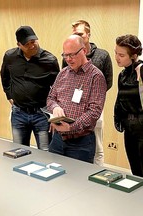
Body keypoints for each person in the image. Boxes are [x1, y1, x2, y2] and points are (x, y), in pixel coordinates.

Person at [47, 34, 107, 163]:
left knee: (77, 181)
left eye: (72, 55)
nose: (68, 59)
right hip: (57, 140)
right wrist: (55, 107)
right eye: (65, 55)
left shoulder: (96, 76)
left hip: (81, 144)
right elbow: (51, 98)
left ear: (84, 51)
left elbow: (94, 112)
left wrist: (71, 127)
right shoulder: (63, 73)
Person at [0, 26, 60, 150]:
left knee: (45, 153)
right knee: (19, 151)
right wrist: (9, 95)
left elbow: (57, 88)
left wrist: (55, 113)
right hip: (19, 112)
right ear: (19, 45)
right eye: (27, 44)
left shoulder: (50, 60)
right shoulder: (10, 57)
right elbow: (5, 76)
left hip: (42, 113)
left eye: (33, 41)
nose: (32, 46)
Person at [62, 20, 113, 166]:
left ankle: (97, 173)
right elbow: (65, 81)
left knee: (97, 144)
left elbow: (108, 82)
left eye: (80, 34)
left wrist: (92, 98)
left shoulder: (103, 55)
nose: (77, 36)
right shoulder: (67, 57)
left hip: (94, 106)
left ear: (88, 35)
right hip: (73, 107)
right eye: (74, 34)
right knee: (75, 142)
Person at [114, 34, 143, 177]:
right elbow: (120, 99)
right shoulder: (122, 74)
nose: (117, 57)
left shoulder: (141, 71)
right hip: (129, 126)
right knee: (135, 168)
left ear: (134, 55)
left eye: (121, 55)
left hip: (141, 126)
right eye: (116, 53)